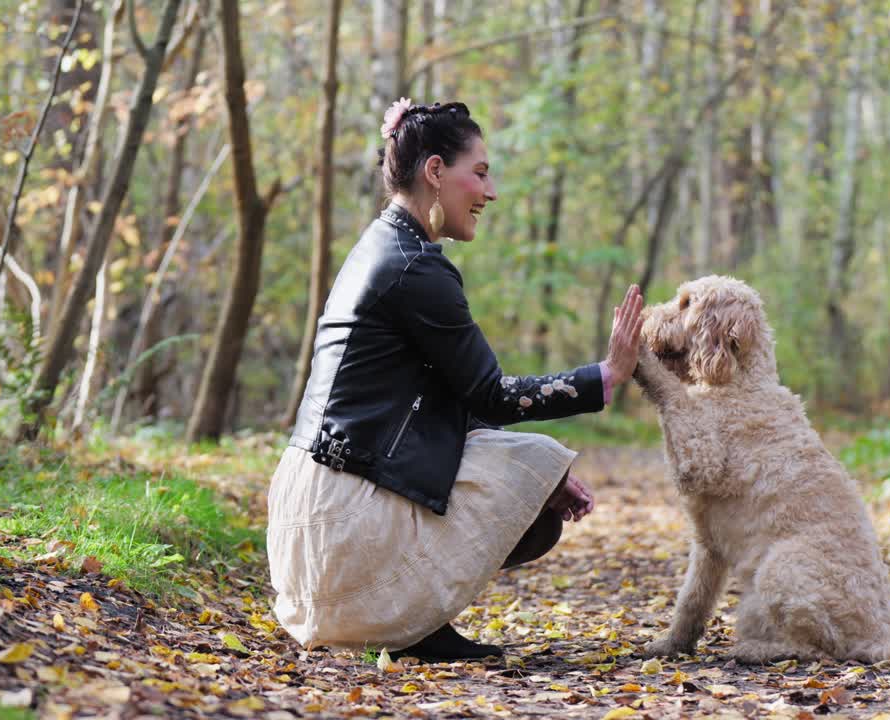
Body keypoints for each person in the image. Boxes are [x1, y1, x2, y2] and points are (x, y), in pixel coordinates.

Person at [268, 98, 645, 662]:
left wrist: (539, 478)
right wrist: (606, 376)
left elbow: (451, 398)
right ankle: (404, 623)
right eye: (481, 173)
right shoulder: (415, 265)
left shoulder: (385, 246)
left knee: (535, 476)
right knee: (536, 453)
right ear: (436, 171)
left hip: (314, 523)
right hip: (339, 528)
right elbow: (491, 395)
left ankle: (414, 622)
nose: (490, 192)